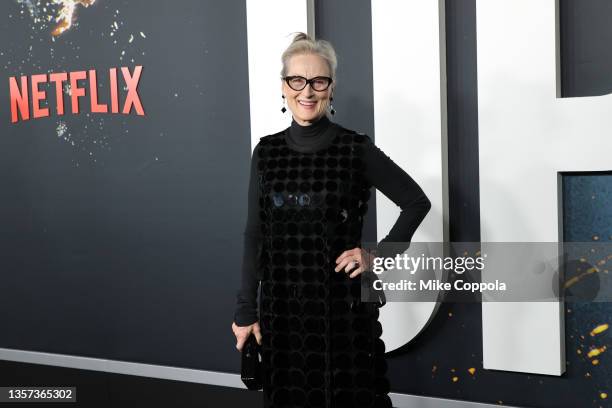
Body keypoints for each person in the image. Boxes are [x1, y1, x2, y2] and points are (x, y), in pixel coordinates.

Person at [231, 32, 431, 408]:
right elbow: (253, 235)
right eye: (297, 81)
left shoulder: (355, 149)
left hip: (343, 314)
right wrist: (246, 312)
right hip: (282, 314)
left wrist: (376, 254)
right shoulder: (267, 152)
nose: (307, 91)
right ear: (284, 86)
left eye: (318, 81)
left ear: (331, 87)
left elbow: (416, 202)